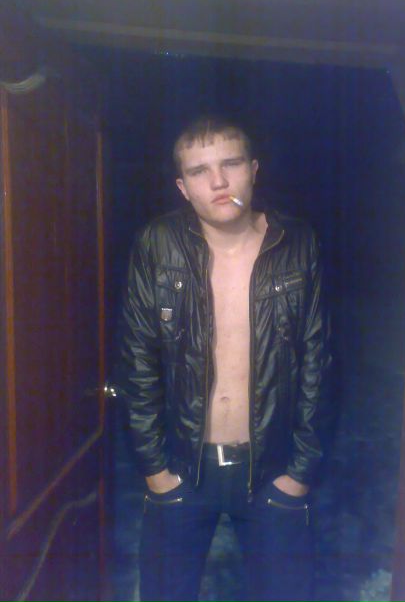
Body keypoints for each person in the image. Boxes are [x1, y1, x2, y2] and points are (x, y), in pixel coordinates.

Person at [117, 115, 331, 602]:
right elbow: (138, 361)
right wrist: (155, 470)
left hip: (273, 466)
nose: (218, 182)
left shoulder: (297, 243)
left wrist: (300, 472)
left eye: (230, 164)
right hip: (182, 468)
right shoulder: (157, 244)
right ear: (183, 187)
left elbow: (319, 362)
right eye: (199, 171)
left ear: (253, 170)